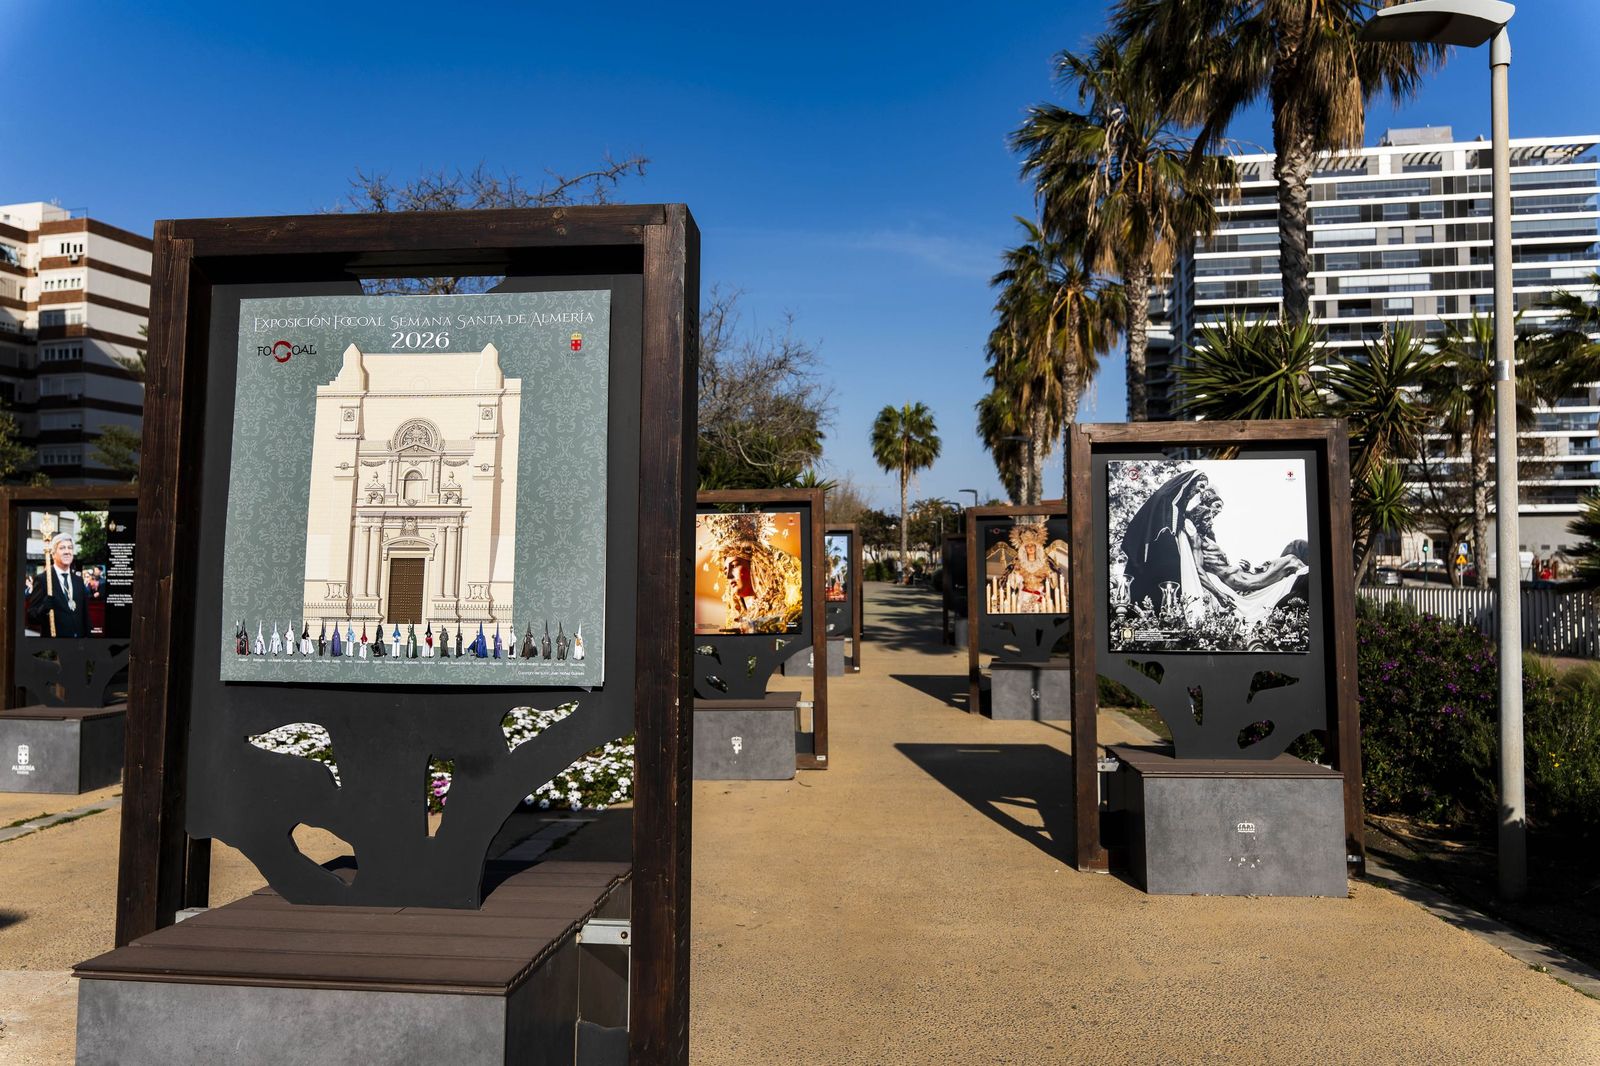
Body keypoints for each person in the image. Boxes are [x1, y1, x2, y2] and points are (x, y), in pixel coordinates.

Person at [27, 534, 90, 637]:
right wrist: (44, 607)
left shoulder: (78, 580)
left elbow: (86, 616)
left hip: (79, 645)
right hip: (55, 644)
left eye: (70, 548)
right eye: (62, 548)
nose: (67, 551)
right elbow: (31, 617)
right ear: (53, 554)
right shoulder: (43, 580)